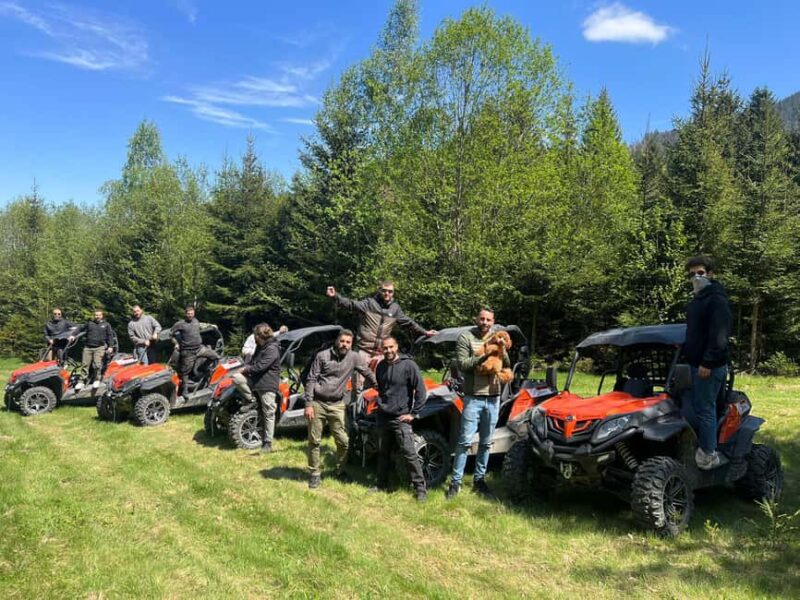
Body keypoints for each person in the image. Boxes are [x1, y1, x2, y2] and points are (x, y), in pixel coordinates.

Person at [445, 307, 509, 499]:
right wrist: (486, 352)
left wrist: (501, 348)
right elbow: (462, 364)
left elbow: (506, 364)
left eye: (488, 320)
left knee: (486, 443)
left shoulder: (498, 335)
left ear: (493, 321)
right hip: (473, 397)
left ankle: (479, 480)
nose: (485, 323)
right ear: (476, 319)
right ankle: (455, 483)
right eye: (482, 319)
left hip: (494, 397)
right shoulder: (466, 338)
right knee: (464, 441)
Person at [304, 329, 377, 489]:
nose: (344, 344)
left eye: (348, 342)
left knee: (343, 441)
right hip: (318, 403)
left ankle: (340, 470)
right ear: (337, 341)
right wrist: (308, 404)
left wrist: (380, 386)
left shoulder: (354, 357)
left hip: (337, 404)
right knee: (314, 440)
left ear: (351, 344)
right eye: (342, 341)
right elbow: (311, 379)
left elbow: (367, 372)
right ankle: (314, 474)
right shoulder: (322, 356)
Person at [682, 255, 732, 470]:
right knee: (689, 404)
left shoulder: (716, 299)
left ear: (711, 274)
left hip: (709, 366)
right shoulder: (697, 299)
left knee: (705, 408)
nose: (696, 277)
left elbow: (719, 336)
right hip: (695, 364)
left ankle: (708, 455)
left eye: (700, 273)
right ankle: (699, 444)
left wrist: (708, 362)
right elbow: (696, 333)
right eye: (692, 274)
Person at [372, 336, 428, 502]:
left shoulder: (409, 365)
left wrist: (413, 413)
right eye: (385, 348)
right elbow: (382, 389)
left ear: (396, 346)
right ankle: (381, 484)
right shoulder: (380, 366)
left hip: (400, 418)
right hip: (383, 416)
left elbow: (421, 391)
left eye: (391, 347)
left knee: (409, 453)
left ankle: (420, 489)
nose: (388, 351)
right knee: (383, 452)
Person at [326, 281, 436, 362]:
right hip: (363, 351)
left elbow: (409, 323)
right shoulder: (369, 304)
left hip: (381, 353)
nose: (387, 293)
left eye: (390, 291)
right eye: (384, 290)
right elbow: (350, 304)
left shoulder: (395, 309)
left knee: (378, 386)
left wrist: (425, 332)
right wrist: (335, 296)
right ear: (380, 291)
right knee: (358, 386)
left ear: (393, 293)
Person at [232, 324, 281, 453]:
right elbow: (253, 363)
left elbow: (261, 366)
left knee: (268, 413)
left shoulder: (272, 349)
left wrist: (246, 369)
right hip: (255, 380)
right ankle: (251, 400)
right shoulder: (261, 347)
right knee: (236, 378)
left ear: (260, 336)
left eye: (255, 335)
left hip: (267, 384)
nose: (253, 338)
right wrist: (245, 367)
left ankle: (267, 443)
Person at [70, 309, 115, 390]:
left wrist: (111, 346)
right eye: (96, 315)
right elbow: (80, 328)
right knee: (85, 365)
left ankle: (97, 380)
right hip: (88, 347)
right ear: (94, 315)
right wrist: (73, 335)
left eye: (99, 315)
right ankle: (81, 382)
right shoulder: (90, 323)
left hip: (99, 347)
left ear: (102, 316)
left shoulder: (106, 325)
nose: (97, 316)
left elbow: (110, 336)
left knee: (97, 365)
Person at [170, 306, 204, 399]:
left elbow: (201, 326)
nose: (190, 315)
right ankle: (185, 391)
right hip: (188, 351)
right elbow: (171, 334)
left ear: (194, 314)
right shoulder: (180, 324)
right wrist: (176, 343)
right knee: (185, 372)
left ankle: (204, 378)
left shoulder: (196, 321)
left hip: (199, 348)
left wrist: (212, 326)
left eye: (192, 314)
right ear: (185, 314)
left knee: (214, 356)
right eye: (188, 314)